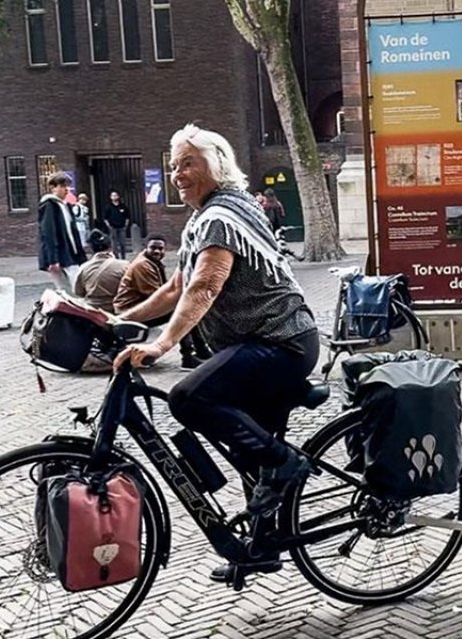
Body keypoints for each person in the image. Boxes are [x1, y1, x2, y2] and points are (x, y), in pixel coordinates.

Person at [114, 124, 319, 582]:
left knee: (189, 398)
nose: (178, 173)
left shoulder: (221, 217)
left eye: (189, 162)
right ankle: (264, 547)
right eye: (173, 165)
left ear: (218, 165)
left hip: (279, 343)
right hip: (260, 344)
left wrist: (162, 344)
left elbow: (205, 285)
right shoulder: (208, 215)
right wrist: (119, 319)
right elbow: (176, 287)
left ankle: (286, 462)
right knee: (249, 451)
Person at [115, 234, 212, 369]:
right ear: (145, 247)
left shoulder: (152, 263)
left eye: (160, 249)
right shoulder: (142, 266)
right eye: (153, 248)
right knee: (182, 311)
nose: (157, 251)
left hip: (142, 307)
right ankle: (188, 355)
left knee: (187, 308)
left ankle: (201, 351)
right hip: (131, 312)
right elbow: (157, 297)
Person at [37, 173, 86, 291]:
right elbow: (49, 233)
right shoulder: (49, 205)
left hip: (69, 253)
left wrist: (81, 256)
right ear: (53, 188)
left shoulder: (65, 206)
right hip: (61, 255)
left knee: (74, 288)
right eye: (63, 186)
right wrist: (53, 260)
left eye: (68, 186)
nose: (67, 190)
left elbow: (73, 233)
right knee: (69, 290)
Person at [73, 230, 128, 313]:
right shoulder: (124, 265)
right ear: (110, 247)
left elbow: (78, 292)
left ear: (91, 249)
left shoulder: (83, 268)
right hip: (116, 310)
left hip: (92, 311)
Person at [104, 190, 130, 259]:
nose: (114, 197)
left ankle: (123, 256)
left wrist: (125, 225)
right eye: (113, 195)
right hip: (113, 227)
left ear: (118, 196)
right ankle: (116, 257)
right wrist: (109, 226)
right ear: (110, 197)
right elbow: (105, 218)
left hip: (121, 227)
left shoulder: (123, 206)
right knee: (114, 244)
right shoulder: (108, 207)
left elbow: (127, 217)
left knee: (123, 243)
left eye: (115, 195)